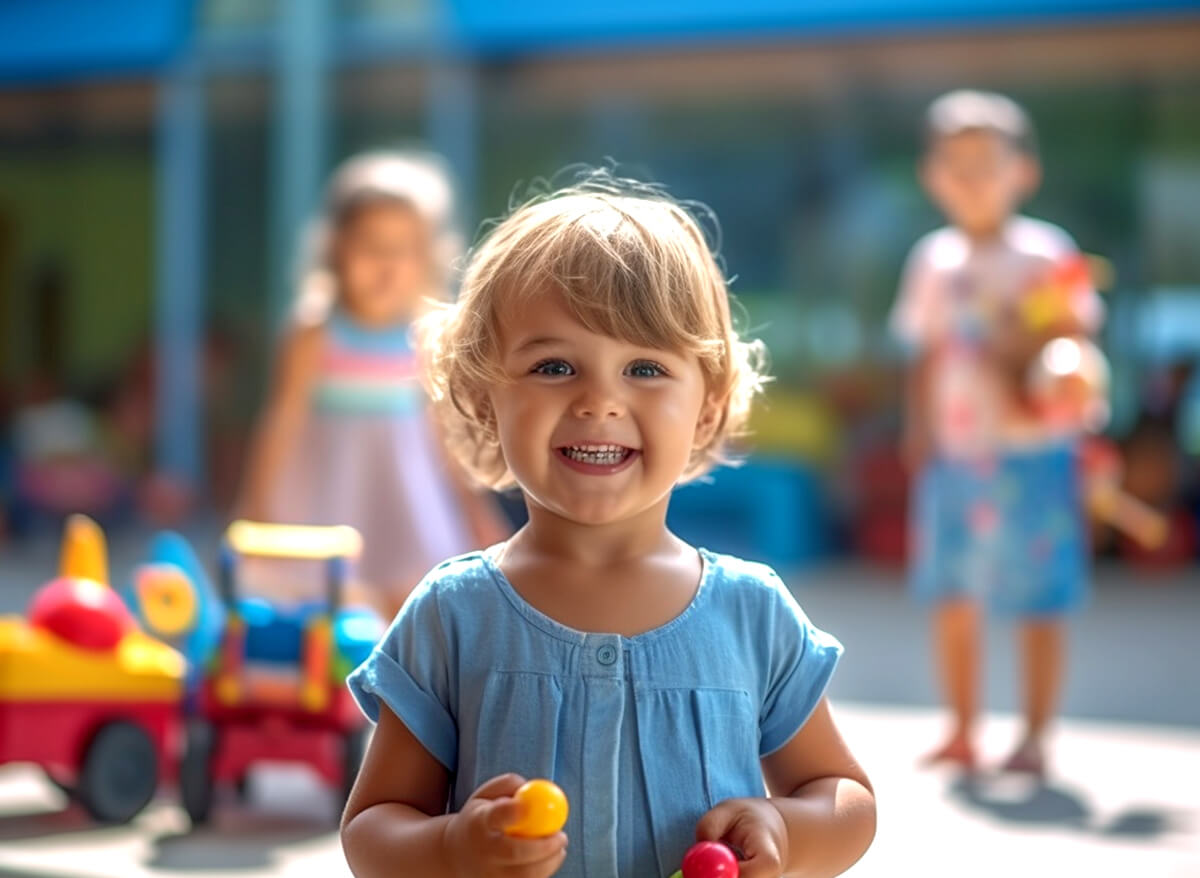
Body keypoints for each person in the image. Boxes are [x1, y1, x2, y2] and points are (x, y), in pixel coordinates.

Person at [341, 172, 876, 878]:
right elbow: (372, 827)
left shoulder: (752, 613)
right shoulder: (452, 613)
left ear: (708, 408)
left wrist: (782, 827)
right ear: (481, 395)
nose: (600, 400)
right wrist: (450, 848)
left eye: (646, 368)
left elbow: (847, 801)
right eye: (555, 365)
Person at [890, 90, 1104, 776]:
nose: (973, 175)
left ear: (1023, 171)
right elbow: (922, 352)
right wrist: (917, 426)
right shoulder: (931, 261)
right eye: (956, 162)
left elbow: (1074, 340)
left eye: (988, 160)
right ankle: (961, 728)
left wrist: (1049, 362)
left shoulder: (1045, 254)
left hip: (1034, 453)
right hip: (955, 456)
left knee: (1037, 597)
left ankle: (1036, 734)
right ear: (932, 175)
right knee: (953, 595)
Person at [237, 151, 509, 619]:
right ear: (335, 250)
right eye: (370, 246)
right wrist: (257, 509)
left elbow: (442, 435)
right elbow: (281, 421)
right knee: (326, 606)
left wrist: (478, 513)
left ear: (427, 255)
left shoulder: (426, 333)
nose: (386, 264)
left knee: (411, 599)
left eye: (402, 248)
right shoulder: (314, 333)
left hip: (402, 498)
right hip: (328, 493)